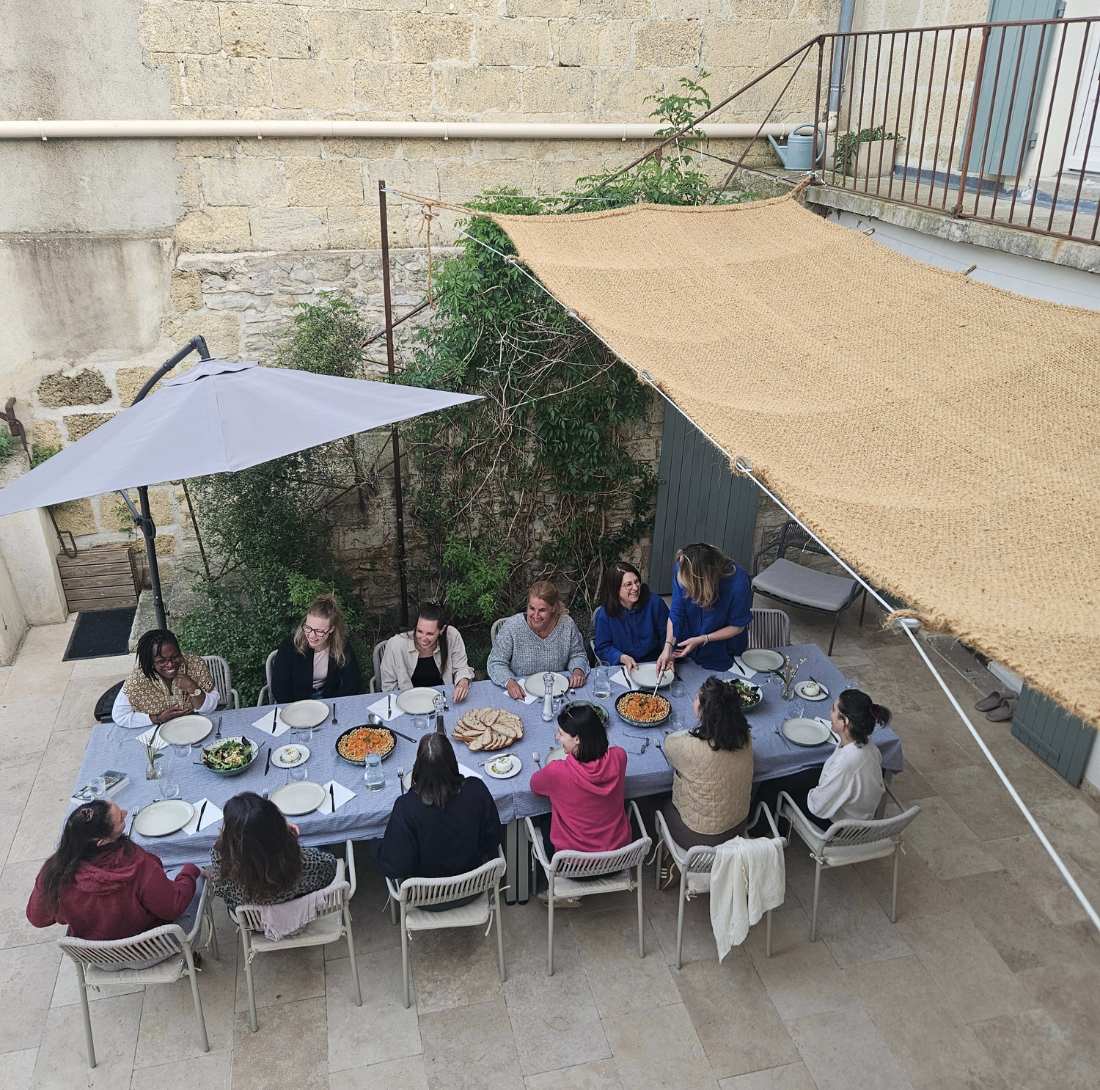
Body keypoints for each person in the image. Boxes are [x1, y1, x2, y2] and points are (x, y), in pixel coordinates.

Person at [26, 800, 202, 954]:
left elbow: (37, 918)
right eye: (121, 820)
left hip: (97, 956)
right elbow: (173, 907)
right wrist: (190, 871)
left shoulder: (52, 873)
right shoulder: (138, 865)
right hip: (149, 950)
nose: (126, 813)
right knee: (193, 878)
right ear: (101, 841)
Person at [379, 734, 502, 907]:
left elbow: (395, 866)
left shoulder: (406, 807)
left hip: (426, 898)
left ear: (418, 767)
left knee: (376, 844)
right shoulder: (477, 790)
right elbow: (493, 839)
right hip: (473, 888)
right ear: (453, 762)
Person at [754, 689, 888, 830]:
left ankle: (760, 829)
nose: (829, 715)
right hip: (857, 810)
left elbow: (817, 807)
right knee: (800, 774)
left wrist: (812, 790)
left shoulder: (847, 763)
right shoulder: (870, 746)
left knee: (773, 783)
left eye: (833, 710)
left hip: (838, 824)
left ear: (844, 722)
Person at [530, 703, 631, 862]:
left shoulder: (556, 772)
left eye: (561, 734)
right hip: (617, 857)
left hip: (574, 864)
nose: (557, 737)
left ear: (577, 739)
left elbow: (534, 786)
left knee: (541, 816)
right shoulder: (619, 757)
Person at [661, 677, 754, 847]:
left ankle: (671, 863)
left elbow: (669, 743)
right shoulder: (745, 737)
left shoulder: (691, 748)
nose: (694, 700)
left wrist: (689, 732)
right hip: (739, 826)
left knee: (661, 804)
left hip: (701, 837)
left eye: (697, 698)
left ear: (704, 712)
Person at [210, 792, 339, 914]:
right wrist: (291, 842)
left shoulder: (220, 861)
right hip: (302, 917)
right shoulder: (306, 864)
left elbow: (222, 892)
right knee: (322, 843)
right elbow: (330, 868)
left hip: (256, 924)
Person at [656, 543, 751, 675]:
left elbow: (738, 626)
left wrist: (703, 639)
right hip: (689, 638)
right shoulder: (681, 567)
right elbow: (676, 612)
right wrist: (668, 646)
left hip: (723, 646)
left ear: (703, 580)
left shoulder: (738, 582)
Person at [487, 580, 589, 701]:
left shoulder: (567, 625)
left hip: (558, 693)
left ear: (553, 608)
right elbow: (496, 662)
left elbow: (578, 654)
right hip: (522, 695)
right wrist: (509, 682)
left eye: (542, 610)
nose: (535, 616)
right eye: (531, 608)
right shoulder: (513, 626)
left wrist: (578, 670)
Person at [112, 628, 220, 730]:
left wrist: (192, 687)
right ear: (150, 662)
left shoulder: (195, 664)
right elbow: (120, 716)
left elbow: (209, 709)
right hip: (159, 734)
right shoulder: (137, 680)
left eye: (175, 657)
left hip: (197, 727)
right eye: (161, 661)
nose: (170, 664)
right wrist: (158, 718)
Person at [270, 593, 361, 703]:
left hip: (331, 700)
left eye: (319, 631)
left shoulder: (342, 646)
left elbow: (352, 683)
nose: (312, 635)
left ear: (331, 629)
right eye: (308, 628)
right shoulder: (289, 646)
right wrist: (295, 709)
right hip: (297, 703)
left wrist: (335, 705)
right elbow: (279, 688)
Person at [379, 603, 476, 702]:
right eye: (419, 631)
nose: (423, 638)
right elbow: (388, 686)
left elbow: (461, 668)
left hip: (444, 699)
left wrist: (463, 681)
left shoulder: (451, 636)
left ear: (441, 630)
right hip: (408, 701)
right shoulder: (396, 644)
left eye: (430, 634)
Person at [593, 560, 670, 671]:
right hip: (623, 667)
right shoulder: (605, 614)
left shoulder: (655, 603)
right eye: (628, 584)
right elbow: (602, 647)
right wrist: (621, 657)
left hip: (655, 663)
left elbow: (668, 635)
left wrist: (667, 655)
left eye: (637, 581)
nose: (635, 588)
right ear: (616, 589)